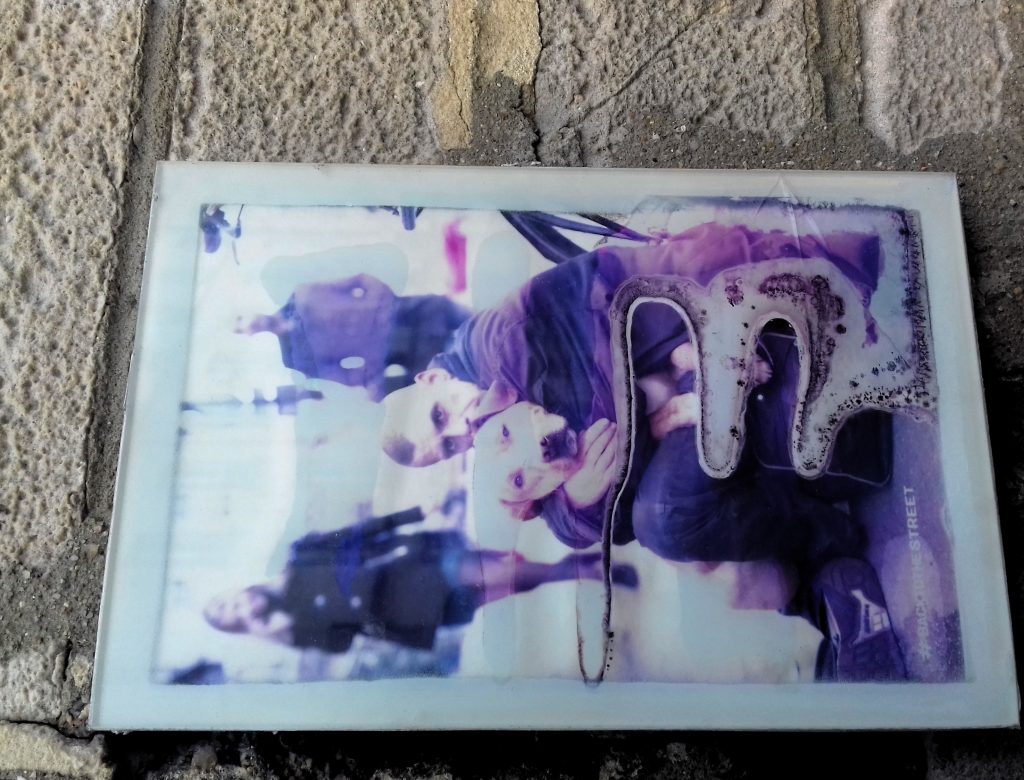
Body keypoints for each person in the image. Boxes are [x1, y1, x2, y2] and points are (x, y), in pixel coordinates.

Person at [380, 220, 886, 560]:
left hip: (689, 292)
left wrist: (578, 480)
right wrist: (576, 500)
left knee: (661, 515)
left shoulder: (497, 348)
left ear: (431, 379)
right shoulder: (495, 427)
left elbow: (608, 419)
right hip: (684, 345)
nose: (461, 429)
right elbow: (598, 520)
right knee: (656, 521)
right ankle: (825, 527)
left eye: (440, 416)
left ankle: (825, 521)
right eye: (449, 446)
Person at [204, 506, 639, 654]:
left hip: (413, 565)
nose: (236, 608)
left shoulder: (298, 558)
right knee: (511, 585)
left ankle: (587, 570)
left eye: (227, 602)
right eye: (229, 617)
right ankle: (571, 568)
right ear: (239, 626)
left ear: (237, 591)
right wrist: (277, 632)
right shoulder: (293, 629)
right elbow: (342, 643)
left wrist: (412, 515)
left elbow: (357, 533)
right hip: (411, 615)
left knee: (506, 571)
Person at [236, 274, 470, 401]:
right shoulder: (296, 359)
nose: (247, 324)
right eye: (240, 329)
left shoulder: (303, 294)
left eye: (240, 318)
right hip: (406, 352)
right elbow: (345, 376)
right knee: (467, 361)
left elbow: (359, 280)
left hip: (417, 311)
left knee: (478, 322)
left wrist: (382, 302)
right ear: (248, 336)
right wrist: (373, 369)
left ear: (248, 308)